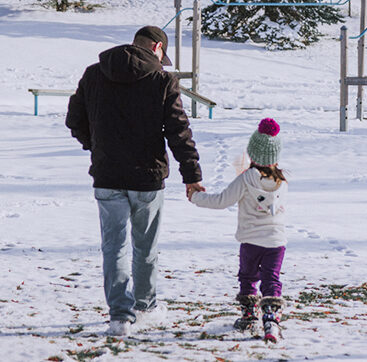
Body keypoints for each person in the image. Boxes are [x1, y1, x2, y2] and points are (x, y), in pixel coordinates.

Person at [65, 25, 204, 336]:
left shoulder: (94, 73)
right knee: (145, 248)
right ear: (156, 47)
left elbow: (74, 119)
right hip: (147, 178)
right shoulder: (162, 79)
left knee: (113, 248)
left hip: (107, 174)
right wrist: (191, 175)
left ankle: (119, 317)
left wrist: (96, 146)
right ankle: (145, 307)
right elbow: (178, 132)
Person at [188, 118, 287, 343]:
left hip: (251, 241)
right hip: (276, 243)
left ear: (252, 154)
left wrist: (196, 197)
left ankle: (250, 316)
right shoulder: (283, 182)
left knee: (248, 277)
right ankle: (271, 321)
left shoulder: (246, 179)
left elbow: (222, 200)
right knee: (271, 279)